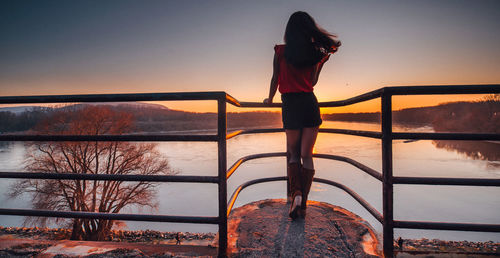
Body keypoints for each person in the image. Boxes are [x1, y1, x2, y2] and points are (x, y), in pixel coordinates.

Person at [263, 11, 340, 220]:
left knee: (293, 153)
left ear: (289, 30)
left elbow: (274, 78)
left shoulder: (280, 51)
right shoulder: (314, 52)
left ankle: (296, 194)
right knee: (307, 155)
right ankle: (302, 202)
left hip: (290, 104)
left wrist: (269, 99)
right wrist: (320, 64)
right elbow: (312, 83)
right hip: (309, 103)